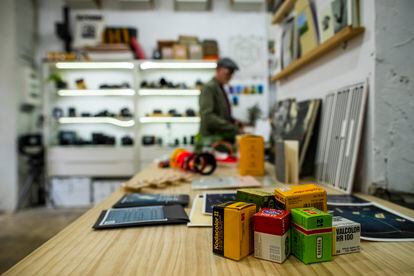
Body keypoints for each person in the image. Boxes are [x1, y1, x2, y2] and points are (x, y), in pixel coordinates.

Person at [198, 57, 241, 144]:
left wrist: (233, 121)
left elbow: (220, 113)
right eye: (227, 73)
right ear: (218, 70)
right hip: (210, 141)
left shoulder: (219, 88)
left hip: (218, 139)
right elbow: (208, 116)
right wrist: (232, 127)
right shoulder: (209, 88)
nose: (229, 77)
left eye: (231, 75)